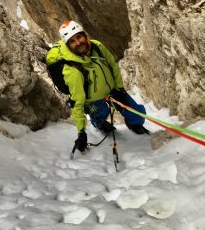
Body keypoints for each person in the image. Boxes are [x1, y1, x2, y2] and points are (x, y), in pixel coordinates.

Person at [46, 20, 148, 153]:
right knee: (100, 118)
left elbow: (112, 66)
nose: (78, 42)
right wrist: (81, 133)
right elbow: (77, 102)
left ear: (84, 35)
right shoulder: (72, 70)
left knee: (137, 115)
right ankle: (98, 122)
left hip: (113, 92)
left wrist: (120, 89)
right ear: (68, 45)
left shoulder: (97, 46)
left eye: (79, 37)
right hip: (93, 100)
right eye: (72, 41)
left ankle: (134, 124)